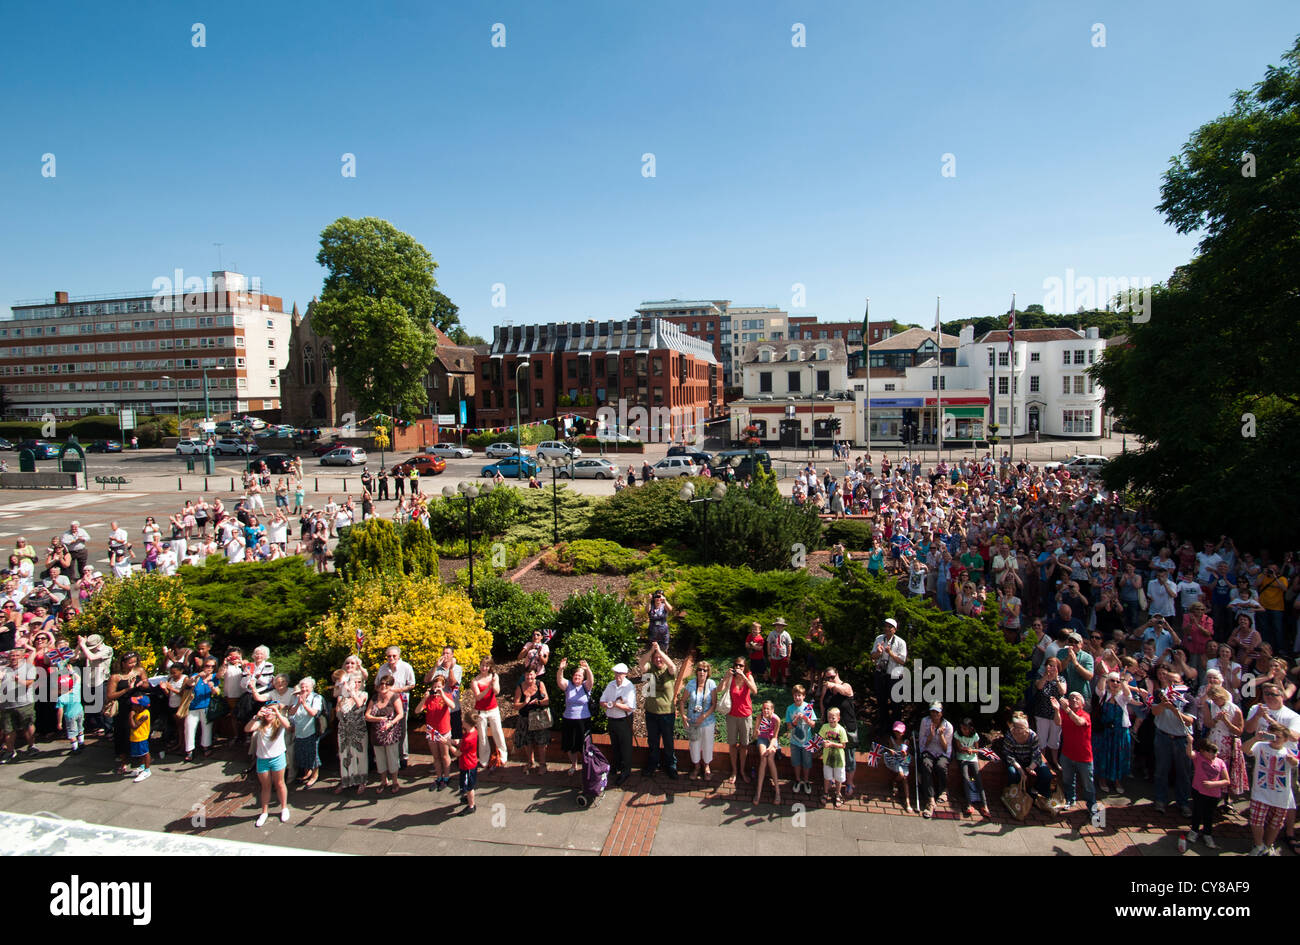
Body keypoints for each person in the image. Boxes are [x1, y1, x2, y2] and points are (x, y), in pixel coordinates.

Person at [1244, 722, 1298, 856]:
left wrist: (1292, 761)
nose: (1274, 739)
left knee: (1276, 823)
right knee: (1257, 820)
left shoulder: (1289, 751)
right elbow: (1244, 749)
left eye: (1278, 737)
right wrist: (1255, 738)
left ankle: (1268, 846)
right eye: (1272, 735)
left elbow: (1296, 763)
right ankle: (1258, 845)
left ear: (1285, 739)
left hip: (1281, 796)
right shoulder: (1260, 746)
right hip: (1260, 792)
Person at [1152, 671, 1195, 818]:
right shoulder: (1160, 694)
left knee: (1183, 773)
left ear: (1182, 683)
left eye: (1175, 682)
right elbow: (1154, 712)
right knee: (1161, 770)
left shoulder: (1188, 698)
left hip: (1181, 739)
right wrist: (1163, 704)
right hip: (1163, 736)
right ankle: (1160, 800)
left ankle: (1183, 803)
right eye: (1169, 682)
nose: (1171, 685)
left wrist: (1173, 709)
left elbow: (1189, 720)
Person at [246, 703, 292, 826]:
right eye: (267, 710)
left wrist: (277, 712)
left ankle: (284, 808)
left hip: (278, 758)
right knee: (265, 786)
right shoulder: (260, 724)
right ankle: (264, 812)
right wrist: (256, 716)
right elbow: (247, 729)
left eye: (271, 711)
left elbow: (288, 726)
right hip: (262, 759)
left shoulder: (280, 723)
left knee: (280, 783)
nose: (269, 713)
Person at [817, 665, 859, 797]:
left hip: (847, 727)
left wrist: (833, 685)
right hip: (831, 728)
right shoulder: (826, 688)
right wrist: (823, 716)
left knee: (849, 756)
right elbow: (823, 701)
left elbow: (846, 692)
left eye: (832, 677)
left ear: (837, 674)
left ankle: (849, 782)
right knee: (832, 754)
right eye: (827, 678)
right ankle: (834, 780)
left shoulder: (846, 686)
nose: (829, 679)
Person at [1000, 711, 1053, 811]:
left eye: (1020, 728)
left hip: (1031, 760)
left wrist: (1030, 767)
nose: (1016, 730)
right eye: (1015, 727)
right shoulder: (1009, 736)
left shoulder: (1033, 736)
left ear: (1026, 728)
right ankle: (1012, 795)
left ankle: (1036, 793)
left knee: (1047, 775)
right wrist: (1020, 770)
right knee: (1013, 773)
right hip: (1016, 761)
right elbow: (1008, 755)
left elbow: (1037, 754)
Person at [1055, 691, 1097, 816]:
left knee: (1088, 785)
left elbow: (1079, 722)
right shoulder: (1064, 712)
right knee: (1068, 780)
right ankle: (1070, 799)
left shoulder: (1085, 715)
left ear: (1083, 703)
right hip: (1067, 754)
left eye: (1077, 698)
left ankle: (1092, 807)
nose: (1073, 699)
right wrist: (1057, 709)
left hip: (1084, 757)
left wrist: (1066, 709)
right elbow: (1058, 722)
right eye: (1071, 697)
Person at [332, 655, 370, 795]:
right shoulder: (342, 695)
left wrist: (352, 692)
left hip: (358, 728)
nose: (356, 683)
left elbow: (359, 703)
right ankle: (346, 780)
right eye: (354, 681)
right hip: (344, 728)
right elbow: (337, 704)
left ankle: (362, 780)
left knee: (359, 753)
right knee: (345, 754)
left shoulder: (363, 693)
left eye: (358, 682)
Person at [106, 652, 148, 774]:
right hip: (123, 708)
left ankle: (139, 758)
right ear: (123, 663)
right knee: (123, 734)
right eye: (130, 663)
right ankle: (123, 760)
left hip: (138, 706)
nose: (132, 665)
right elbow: (110, 695)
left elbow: (146, 684)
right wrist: (126, 689)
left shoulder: (139, 671)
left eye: (134, 662)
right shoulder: (116, 677)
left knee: (139, 732)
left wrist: (142, 684)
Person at [375, 646, 416, 768]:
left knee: (402, 728)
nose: (391, 658)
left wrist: (398, 690)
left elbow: (412, 684)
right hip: (385, 702)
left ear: (398, 656)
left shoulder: (406, 667)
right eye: (389, 656)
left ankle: (403, 756)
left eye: (394, 656)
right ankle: (389, 758)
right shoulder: (383, 668)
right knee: (387, 726)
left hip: (400, 699)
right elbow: (376, 684)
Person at [366, 675, 406, 795]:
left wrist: (390, 723)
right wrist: (377, 719)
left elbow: (400, 714)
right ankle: (383, 781)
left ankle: (395, 781)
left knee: (392, 758)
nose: (383, 687)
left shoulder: (394, 697)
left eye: (386, 684)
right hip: (376, 734)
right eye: (381, 684)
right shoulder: (374, 698)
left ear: (390, 686)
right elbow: (367, 715)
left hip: (391, 734)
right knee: (380, 759)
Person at [1093, 673, 1132, 794]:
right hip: (1105, 731)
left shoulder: (1122, 697)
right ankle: (1102, 780)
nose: (1115, 683)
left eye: (1117, 681)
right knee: (1103, 755)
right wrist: (1104, 675)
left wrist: (1123, 680)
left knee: (1118, 756)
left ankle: (1117, 781)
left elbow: (1128, 695)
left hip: (1119, 732)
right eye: (1112, 681)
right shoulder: (1104, 694)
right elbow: (1099, 689)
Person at [1188, 739, 1230, 850]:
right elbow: (1189, 753)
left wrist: (1213, 784)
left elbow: (1227, 781)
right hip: (1199, 791)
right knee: (1197, 812)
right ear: (1202, 751)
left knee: (1209, 815)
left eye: (1215, 752)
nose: (1213, 755)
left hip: (1213, 795)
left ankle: (1207, 834)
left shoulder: (1220, 762)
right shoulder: (1198, 758)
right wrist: (1190, 742)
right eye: (1210, 752)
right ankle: (1194, 831)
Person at [556, 657, 594, 774]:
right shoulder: (568, 686)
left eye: (580, 676)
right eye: (575, 675)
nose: (577, 677)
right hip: (569, 719)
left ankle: (587, 766)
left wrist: (587, 669)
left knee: (584, 745)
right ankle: (573, 765)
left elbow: (591, 680)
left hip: (583, 720)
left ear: (583, 678)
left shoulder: (585, 687)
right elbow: (559, 680)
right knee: (570, 745)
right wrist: (560, 669)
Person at [723, 656, 757, 786]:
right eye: (736, 665)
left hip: (745, 716)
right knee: (732, 744)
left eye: (741, 665)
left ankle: (742, 771)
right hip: (731, 715)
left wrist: (744, 676)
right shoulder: (731, 677)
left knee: (744, 745)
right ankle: (734, 771)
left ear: (745, 667)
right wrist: (726, 677)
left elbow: (754, 691)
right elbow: (719, 689)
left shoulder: (748, 676)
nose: (738, 667)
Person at [600, 663, 636, 786]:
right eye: (616, 673)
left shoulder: (629, 686)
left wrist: (615, 704)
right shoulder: (611, 684)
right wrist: (607, 704)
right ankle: (616, 766)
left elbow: (630, 707)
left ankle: (626, 771)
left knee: (625, 746)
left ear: (625, 674)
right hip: (612, 719)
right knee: (615, 744)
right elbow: (602, 700)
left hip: (623, 721)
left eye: (620, 674)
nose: (617, 676)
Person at [0, 650, 38, 764]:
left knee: (28, 726)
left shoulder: (29, 668)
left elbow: (29, 683)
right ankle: (10, 751)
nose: (14, 657)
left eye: (17, 655)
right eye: (12, 655)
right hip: (6, 705)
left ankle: (32, 746)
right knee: (8, 730)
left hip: (24, 704)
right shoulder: (4, 669)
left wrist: (18, 680)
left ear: (22, 657)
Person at [681, 661, 717, 781]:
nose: (702, 672)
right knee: (694, 745)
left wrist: (704, 716)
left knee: (708, 744)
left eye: (704, 670)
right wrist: (683, 715)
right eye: (700, 670)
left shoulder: (711, 684)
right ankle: (696, 767)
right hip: (693, 721)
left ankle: (707, 766)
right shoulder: (691, 684)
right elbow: (682, 701)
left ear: (708, 672)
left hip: (707, 721)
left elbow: (714, 704)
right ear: (696, 672)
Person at [917, 701, 953, 818]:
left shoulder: (948, 726)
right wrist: (931, 736)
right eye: (932, 712)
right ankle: (930, 799)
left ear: (941, 713)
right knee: (926, 764)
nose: (934, 715)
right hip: (929, 750)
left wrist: (941, 736)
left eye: (937, 712)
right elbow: (922, 744)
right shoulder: (925, 722)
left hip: (941, 752)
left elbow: (946, 748)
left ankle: (943, 790)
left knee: (941, 766)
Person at [512, 668, 551, 774]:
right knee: (527, 741)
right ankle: (530, 761)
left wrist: (538, 702)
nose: (530, 677)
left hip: (539, 717)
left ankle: (542, 764)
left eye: (531, 675)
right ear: (524, 676)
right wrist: (525, 702)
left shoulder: (540, 684)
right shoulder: (520, 687)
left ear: (535, 675)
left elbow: (546, 700)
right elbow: (515, 706)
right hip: (525, 719)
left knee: (541, 742)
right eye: (527, 675)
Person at [418, 679, 455, 790]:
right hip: (432, 731)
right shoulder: (429, 698)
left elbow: (452, 706)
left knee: (444, 755)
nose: (436, 689)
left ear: (443, 686)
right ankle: (439, 777)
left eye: (439, 686)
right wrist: (425, 698)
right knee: (436, 756)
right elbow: (417, 710)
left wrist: (442, 694)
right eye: (435, 686)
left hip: (443, 730)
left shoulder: (446, 695)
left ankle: (447, 777)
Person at [872, 618, 907, 731]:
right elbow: (872, 656)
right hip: (881, 674)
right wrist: (879, 652)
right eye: (886, 626)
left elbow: (902, 661)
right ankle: (883, 726)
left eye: (890, 627)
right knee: (881, 701)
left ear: (895, 629)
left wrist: (890, 653)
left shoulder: (900, 642)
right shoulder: (879, 639)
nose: (887, 629)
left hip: (894, 676)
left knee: (896, 703)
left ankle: (896, 729)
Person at [471, 658, 508, 768]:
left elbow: (497, 692)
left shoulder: (494, 676)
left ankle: (503, 756)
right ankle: (483, 759)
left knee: (498, 732)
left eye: (486, 666)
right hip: (480, 711)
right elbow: (478, 697)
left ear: (490, 667)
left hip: (493, 709)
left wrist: (494, 684)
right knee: (482, 735)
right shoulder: (475, 680)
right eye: (482, 665)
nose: (484, 668)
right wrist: (488, 688)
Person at [954, 717, 992, 818]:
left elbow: (977, 749)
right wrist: (964, 749)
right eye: (962, 728)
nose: (964, 731)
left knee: (977, 778)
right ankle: (969, 804)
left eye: (966, 729)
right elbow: (958, 748)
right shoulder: (957, 734)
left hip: (972, 758)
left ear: (971, 728)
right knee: (966, 778)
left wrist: (972, 750)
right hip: (962, 757)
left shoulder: (975, 736)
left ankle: (984, 805)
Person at [290, 677, 323, 788]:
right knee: (302, 752)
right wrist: (299, 703)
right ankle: (307, 773)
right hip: (299, 730)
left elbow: (314, 713)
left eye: (306, 687)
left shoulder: (317, 697)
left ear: (312, 687)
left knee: (312, 754)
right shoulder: (297, 698)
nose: (304, 689)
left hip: (311, 730)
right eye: (302, 687)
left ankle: (315, 775)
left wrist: (304, 704)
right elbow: (291, 713)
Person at [784, 685, 817, 796]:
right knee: (796, 762)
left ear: (803, 696)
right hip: (794, 742)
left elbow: (813, 725)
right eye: (795, 695)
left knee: (807, 763)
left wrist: (805, 718)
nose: (797, 697)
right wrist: (795, 720)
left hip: (807, 742)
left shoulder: (808, 707)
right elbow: (789, 726)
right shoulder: (790, 708)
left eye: (799, 695)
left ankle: (806, 781)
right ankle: (798, 780)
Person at [184, 657, 217, 761]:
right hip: (193, 707)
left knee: (207, 728)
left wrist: (212, 687)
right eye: (207, 666)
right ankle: (189, 750)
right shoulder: (196, 676)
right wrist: (198, 675)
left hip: (207, 706)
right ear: (203, 666)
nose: (210, 668)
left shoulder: (214, 677)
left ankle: (206, 746)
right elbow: (188, 684)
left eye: (212, 666)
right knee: (189, 727)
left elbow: (217, 692)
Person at [450, 708, 479, 815]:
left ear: (467, 723)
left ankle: (471, 805)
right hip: (469, 763)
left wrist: (449, 745)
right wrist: (453, 741)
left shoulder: (468, 738)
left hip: (468, 765)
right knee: (466, 784)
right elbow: (461, 743)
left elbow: (458, 753)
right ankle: (468, 798)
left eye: (463, 720)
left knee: (469, 787)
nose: (462, 721)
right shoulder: (472, 732)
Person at [753, 700, 782, 806]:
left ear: (772, 710)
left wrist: (770, 748)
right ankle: (758, 792)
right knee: (763, 758)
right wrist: (756, 733)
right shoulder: (759, 717)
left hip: (771, 741)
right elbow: (755, 736)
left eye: (768, 709)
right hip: (762, 739)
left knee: (770, 759)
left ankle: (778, 792)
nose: (765, 710)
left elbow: (775, 737)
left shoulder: (776, 719)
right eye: (764, 708)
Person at [819, 707, 849, 808]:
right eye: (829, 718)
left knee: (838, 778)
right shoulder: (824, 727)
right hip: (827, 758)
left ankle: (837, 793)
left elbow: (843, 745)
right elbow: (820, 739)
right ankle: (826, 792)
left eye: (833, 718)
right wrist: (823, 743)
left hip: (839, 759)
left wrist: (831, 744)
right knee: (827, 777)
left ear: (838, 718)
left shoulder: (841, 730)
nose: (831, 720)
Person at [881, 720, 912, 813]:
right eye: (896, 732)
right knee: (902, 774)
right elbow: (890, 748)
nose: (897, 734)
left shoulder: (906, 741)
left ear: (903, 732)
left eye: (899, 732)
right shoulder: (891, 739)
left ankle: (907, 801)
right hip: (894, 760)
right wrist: (891, 751)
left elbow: (907, 753)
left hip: (902, 760)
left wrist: (905, 754)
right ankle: (894, 782)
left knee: (905, 778)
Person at [127, 694, 152, 783]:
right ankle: (142, 766)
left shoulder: (144, 715)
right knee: (140, 754)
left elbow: (134, 726)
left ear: (141, 706)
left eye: (135, 705)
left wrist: (130, 715)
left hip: (141, 737)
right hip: (135, 737)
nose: (133, 706)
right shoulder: (139, 712)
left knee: (145, 753)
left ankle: (147, 770)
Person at [765, 617, 793, 686]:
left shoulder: (786, 634)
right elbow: (768, 643)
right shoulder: (771, 634)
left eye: (781, 625)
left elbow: (789, 644)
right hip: (774, 656)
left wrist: (789, 655)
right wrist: (769, 654)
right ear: (775, 626)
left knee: (784, 671)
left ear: (783, 626)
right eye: (777, 625)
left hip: (783, 656)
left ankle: (784, 683)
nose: (779, 627)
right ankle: (774, 682)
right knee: (774, 670)